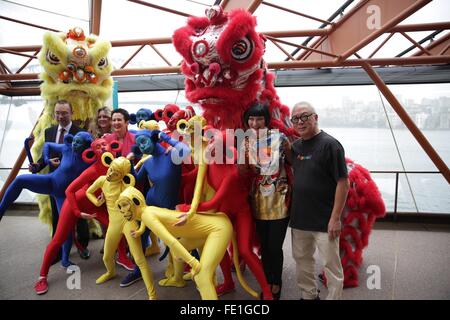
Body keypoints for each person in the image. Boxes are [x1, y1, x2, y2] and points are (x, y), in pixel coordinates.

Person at [287, 101, 349, 300]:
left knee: (331, 265)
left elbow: (343, 183)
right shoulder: (295, 147)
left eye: (305, 116)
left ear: (316, 117)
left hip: (325, 220)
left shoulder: (330, 145)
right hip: (300, 219)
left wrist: (336, 218)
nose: (300, 122)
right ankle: (309, 295)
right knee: (302, 260)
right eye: (295, 119)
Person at [28, 100, 90, 261]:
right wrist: (37, 166)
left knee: (79, 218)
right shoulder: (49, 131)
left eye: (64, 113)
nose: (60, 116)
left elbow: (85, 159)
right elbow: (44, 157)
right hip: (55, 184)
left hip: (75, 184)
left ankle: (82, 246)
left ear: (72, 114)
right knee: (58, 217)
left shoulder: (80, 132)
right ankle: (60, 251)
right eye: (58, 113)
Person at [241, 102, 291, 300]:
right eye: (251, 119)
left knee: (274, 246)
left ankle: (276, 283)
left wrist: (289, 149)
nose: (255, 123)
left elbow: (292, 162)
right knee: (264, 246)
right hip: (258, 200)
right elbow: (243, 173)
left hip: (279, 198)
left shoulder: (280, 138)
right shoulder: (244, 140)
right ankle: (267, 283)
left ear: (267, 120)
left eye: (259, 118)